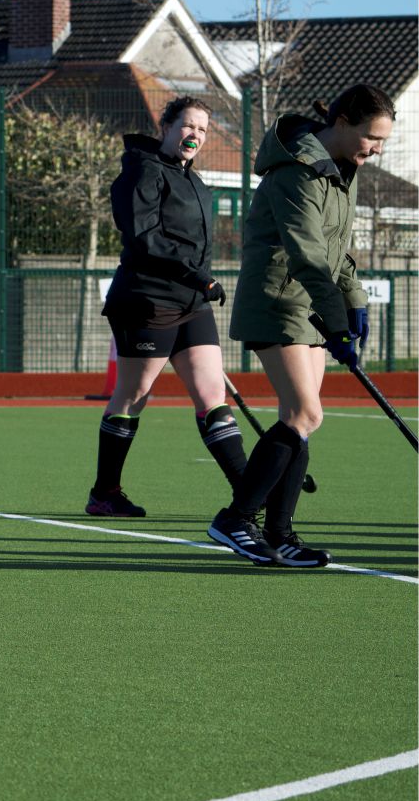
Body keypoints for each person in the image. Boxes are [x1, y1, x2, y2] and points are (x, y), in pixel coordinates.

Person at [207, 84, 395, 567]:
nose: (375, 149)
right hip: (278, 300)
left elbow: (339, 250)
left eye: (382, 142)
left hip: (309, 301)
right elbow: (308, 254)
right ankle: (235, 519)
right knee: (304, 413)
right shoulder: (297, 172)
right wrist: (336, 321)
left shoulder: (342, 172)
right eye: (372, 138)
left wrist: (355, 303)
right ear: (344, 122)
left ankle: (280, 533)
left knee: (305, 420)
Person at [87, 96, 243, 517]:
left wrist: (198, 281)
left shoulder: (192, 178)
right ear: (167, 127)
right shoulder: (144, 169)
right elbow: (145, 236)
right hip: (147, 301)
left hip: (191, 303)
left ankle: (249, 497)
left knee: (212, 395)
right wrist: (197, 276)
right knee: (133, 394)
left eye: (203, 129)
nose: (195, 135)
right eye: (188, 126)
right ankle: (105, 493)